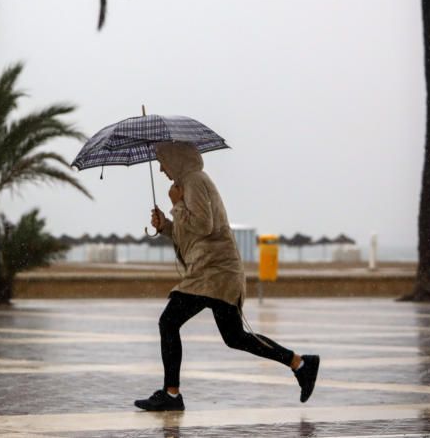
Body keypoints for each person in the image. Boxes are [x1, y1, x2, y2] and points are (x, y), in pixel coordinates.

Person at [134, 141, 320, 412]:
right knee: (235, 337)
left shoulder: (194, 181)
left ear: (175, 158)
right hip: (214, 271)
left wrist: (176, 205)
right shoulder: (189, 181)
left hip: (214, 271)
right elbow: (193, 233)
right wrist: (166, 227)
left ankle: (171, 395)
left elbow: (203, 225)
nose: (161, 168)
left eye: (162, 161)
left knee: (168, 321)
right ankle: (300, 363)